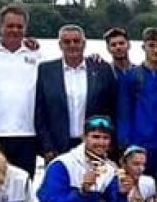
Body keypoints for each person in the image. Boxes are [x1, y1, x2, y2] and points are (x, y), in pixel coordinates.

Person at [0, 3, 42, 177]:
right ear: (1, 26)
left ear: (26, 28)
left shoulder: (36, 54)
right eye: (10, 26)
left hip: (27, 134)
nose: (15, 30)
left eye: (19, 26)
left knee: (23, 186)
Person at [35, 24, 118, 160]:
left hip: (95, 145)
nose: (72, 45)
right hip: (57, 147)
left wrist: (109, 143)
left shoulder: (102, 69)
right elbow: (40, 113)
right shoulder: (46, 70)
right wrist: (47, 146)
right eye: (67, 42)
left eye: (76, 41)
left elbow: (112, 108)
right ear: (60, 45)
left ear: (84, 44)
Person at [117, 27, 157, 174]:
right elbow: (124, 112)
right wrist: (124, 142)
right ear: (143, 47)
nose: (155, 50)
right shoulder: (131, 76)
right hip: (138, 142)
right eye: (151, 46)